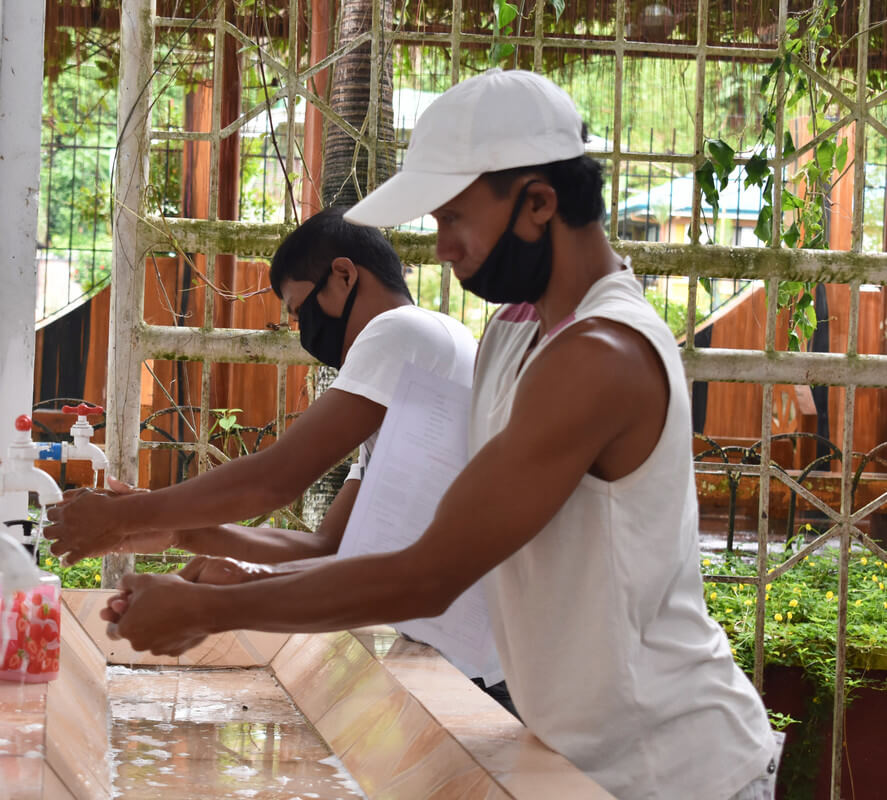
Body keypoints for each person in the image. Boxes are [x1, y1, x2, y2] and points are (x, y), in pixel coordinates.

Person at [93, 68, 782, 800]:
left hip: (671, 765)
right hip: (573, 752)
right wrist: (243, 571)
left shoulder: (599, 356)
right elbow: (428, 551)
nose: (442, 248)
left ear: (539, 202)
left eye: (452, 218)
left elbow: (427, 574)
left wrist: (211, 609)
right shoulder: (514, 334)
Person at [45, 206, 514, 714]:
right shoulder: (410, 373)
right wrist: (184, 534)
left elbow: (277, 479)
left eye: (301, 310)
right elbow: (327, 546)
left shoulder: (400, 331)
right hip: (477, 662)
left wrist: (124, 516)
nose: (301, 331)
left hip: (489, 669)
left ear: (343, 274)